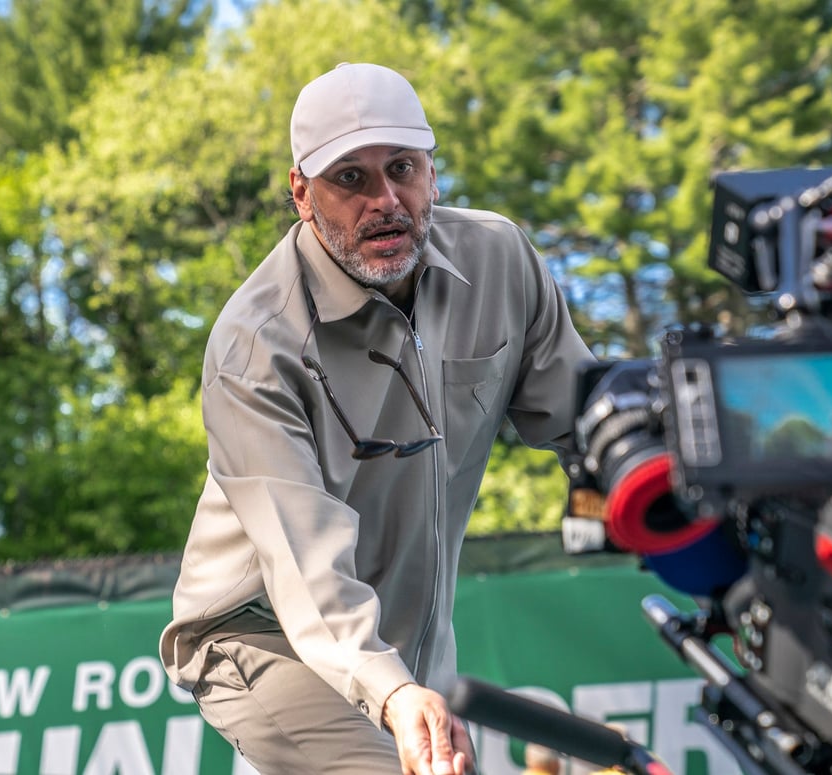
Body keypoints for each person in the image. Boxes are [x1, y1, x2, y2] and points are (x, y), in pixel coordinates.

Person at [159, 62, 594, 775]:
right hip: (259, 635)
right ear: (301, 192)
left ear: (433, 173)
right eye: (351, 180)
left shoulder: (502, 261)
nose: (385, 200)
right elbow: (306, 572)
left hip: (408, 649)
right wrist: (393, 691)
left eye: (402, 168)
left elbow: (590, 425)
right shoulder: (254, 347)